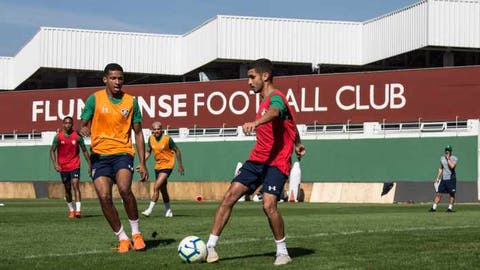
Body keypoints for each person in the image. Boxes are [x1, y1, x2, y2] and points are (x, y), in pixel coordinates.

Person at [205, 58, 306, 266]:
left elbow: (276, 113)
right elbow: (291, 124)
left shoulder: (275, 98)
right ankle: (210, 247)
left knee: (269, 205)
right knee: (229, 197)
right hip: (256, 159)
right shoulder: (262, 101)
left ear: (265, 76)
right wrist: (298, 143)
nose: (248, 82)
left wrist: (255, 122)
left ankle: (282, 252)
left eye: (252, 77)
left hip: (276, 162)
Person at [79, 63, 149, 253]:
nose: (117, 82)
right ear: (105, 79)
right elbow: (83, 123)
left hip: (123, 153)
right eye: (113, 78)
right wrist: (84, 128)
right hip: (99, 156)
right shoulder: (94, 99)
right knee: (104, 197)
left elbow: (139, 133)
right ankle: (123, 238)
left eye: (120, 78)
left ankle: (136, 234)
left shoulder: (131, 101)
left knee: (125, 189)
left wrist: (143, 163)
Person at [141, 121, 184, 217]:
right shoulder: (151, 139)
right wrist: (142, 162)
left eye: (158, 129)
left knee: (156, 187)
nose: (156, 131)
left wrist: (180, 165)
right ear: (152, 130)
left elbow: (177, 150)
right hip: (158, 166)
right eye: (154, 129)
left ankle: (149, 210)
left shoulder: (167, 139)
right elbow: (148, 152)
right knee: (163, 189)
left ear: (162, 129)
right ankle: (168, 211)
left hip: (167, 166)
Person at [50, 116, 90, 218]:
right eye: (66, 123)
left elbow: (85, 151)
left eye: (69, 123)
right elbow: (52, 150)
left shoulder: (77, 137)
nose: (67, 125)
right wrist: (55, 164)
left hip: (75, 164)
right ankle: (71, 210)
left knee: (75, 184)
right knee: (67, 189)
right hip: (63, 167)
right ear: (63, 124)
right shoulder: (58, 137)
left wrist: (90, 165)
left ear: (72, 125)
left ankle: (78, 211)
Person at [430, 145, 458, 212]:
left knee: (452, 194)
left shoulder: (454, 158)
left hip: (451, 179)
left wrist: (448, 159)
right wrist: (437, 178)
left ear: (450, 151)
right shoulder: (442, 158)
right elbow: (441, 168)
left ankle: (449, 208)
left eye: (448, 150)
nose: (447, 151)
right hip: (443, 179)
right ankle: (433, 208)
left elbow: (452, 166)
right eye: (446, 150)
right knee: (439, 193)